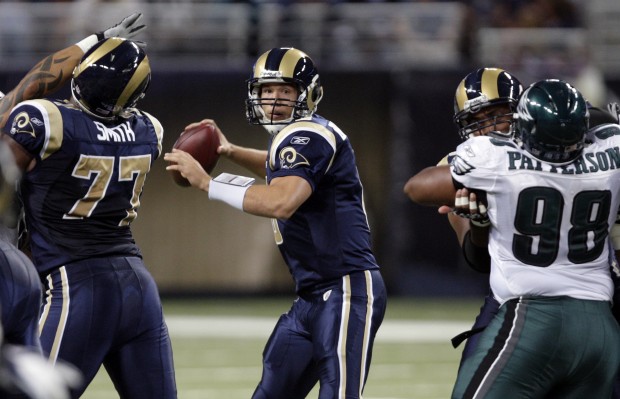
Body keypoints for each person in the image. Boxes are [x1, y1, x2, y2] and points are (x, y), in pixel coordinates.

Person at [165, 47, 387, 398]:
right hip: (312, 296)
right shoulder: (299, 137)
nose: (274, 100)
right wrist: (229, 151)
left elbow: (282, 200)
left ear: (308, 94)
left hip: (345, 288)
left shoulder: (308, 134)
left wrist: (209, 182)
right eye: (267, 91)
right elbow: (278, 169)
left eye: (286, 91)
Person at [410, 79, 620, 398]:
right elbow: (477, 258)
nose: (489, 128)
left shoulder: (485, 160)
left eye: (497, 114)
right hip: (565, 307)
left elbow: (417, 187)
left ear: (522, 113)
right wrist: (480, 223)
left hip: (544, 308)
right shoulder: (607, 145)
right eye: (476, 122)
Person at [1, 37, 177, 398]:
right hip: (138, 286)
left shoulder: (45, 120)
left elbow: (15, 111)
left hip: (77, 284)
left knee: (28, 392)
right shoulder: (151, 131)